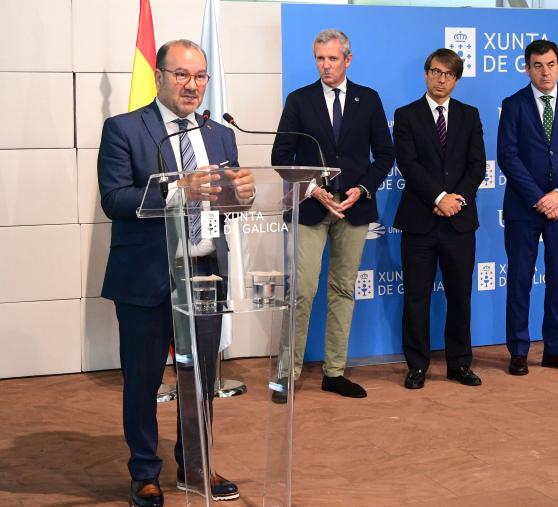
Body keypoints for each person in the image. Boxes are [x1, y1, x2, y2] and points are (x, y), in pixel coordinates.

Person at [98, 40, 253, 506]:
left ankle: (195, 466)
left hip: (204, 274)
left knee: (201, 379)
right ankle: (144, 472)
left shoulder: (220, 135)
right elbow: (115, 200)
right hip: (146, 276)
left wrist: (241, 197)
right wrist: (174, 189)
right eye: (182, 75)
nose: (193, 85)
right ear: (160, 76)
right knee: (144, 381)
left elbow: (226, 207)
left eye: (200, 76)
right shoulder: (125, 128)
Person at [271, 29, 393, 400]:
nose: (325, 65)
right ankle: (286, 374)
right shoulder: (299, 100)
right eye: (320, 59)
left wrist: (362, 189)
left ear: (348, 59)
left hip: (354, 211)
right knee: (303, 291)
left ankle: (334, 371)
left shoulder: (368, 99)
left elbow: (385, 155)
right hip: (312, 208)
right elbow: (281, 156)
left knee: (343, 289)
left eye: (332, 59)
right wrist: (312, 189)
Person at [497, 40, 558, 376]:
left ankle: (555, 348)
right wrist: (540, 197)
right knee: (520, 280)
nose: (545, 71)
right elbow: (507, 156)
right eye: (538, 65)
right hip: (525, 208)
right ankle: (519, 351)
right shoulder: (513, 105)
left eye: (551, 64)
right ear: (527, 68)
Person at [392, 49, 486, 389]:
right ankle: (417, 365)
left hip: (459, 222)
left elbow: (478, 165)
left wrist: (454, 200)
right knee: (416, 298)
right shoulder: (406, 115)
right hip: (420, 220)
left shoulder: (470, 115)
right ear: (426, 73)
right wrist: (438, 198)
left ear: (456, 79)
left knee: (460, 296)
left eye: (447, 74)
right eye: (434, 71)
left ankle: (459, 363)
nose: (440, 79)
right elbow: (409, 164)